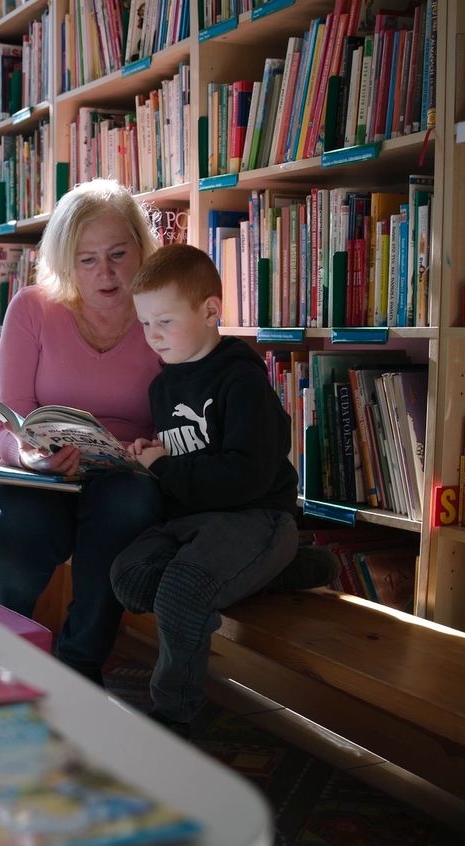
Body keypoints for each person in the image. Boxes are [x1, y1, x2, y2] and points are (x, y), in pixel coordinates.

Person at [112, 243, 331, 737]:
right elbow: (186, 459)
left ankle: (174, 713)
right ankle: (276, 571)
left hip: (253, 516)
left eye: (164, 321)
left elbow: (246, 477)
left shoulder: (241, 382)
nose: (152, 335)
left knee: (183, 593)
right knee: (128, 576)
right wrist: (154, 457)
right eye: (144, 323)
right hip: (194, 521)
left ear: (211, 311)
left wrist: (167, 468)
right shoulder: (164, 387)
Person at [0, 178, 166, 686]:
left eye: (118, 254)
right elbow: (11, 417)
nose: (105, 273)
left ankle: (81, 664)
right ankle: (5, 655)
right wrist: (29, 456)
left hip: (127, 473)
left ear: (141, 248)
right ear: (65, 261)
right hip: (44, 468)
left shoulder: (162, 311)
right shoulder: (33, 308)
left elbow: (181, 410)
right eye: (87, 260)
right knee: (17, 524)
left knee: (129, 506)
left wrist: (153, 448)